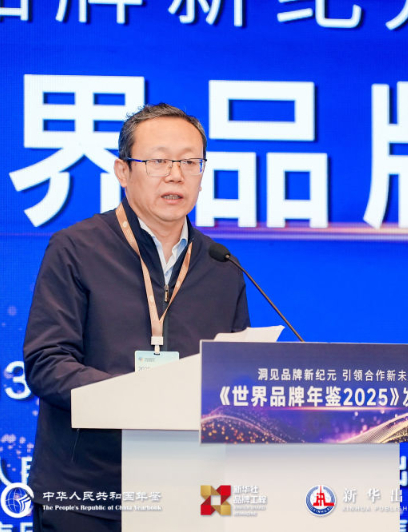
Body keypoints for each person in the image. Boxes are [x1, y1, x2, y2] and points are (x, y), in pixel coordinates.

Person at [23, 103, 250, 531]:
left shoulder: (220, 265)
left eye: (190, 162)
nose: (176, 175)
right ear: (123, 172)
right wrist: (137, 399)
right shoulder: (76, 249)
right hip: (88, 494)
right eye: (158, 161)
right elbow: (47, 364)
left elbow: (234, 375)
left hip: (189, 492)